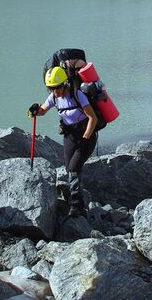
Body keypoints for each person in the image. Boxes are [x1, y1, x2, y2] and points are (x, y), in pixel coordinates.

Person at [28, 66, 97, 217]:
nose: (55, 91)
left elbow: (93, 118)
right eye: (51, 88)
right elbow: (43, 111)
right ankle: (81, 204)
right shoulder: (54, 98)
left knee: (73, 168)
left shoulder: (77, 95)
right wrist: (34, 110)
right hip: (70, 135)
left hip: (86, 135)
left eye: (57, 87)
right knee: (69, 169)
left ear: (64, 83)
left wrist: (85, 139)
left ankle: (77, 205)